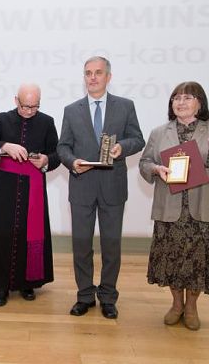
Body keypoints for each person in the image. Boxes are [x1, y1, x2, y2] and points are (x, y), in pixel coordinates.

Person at [139, 81, 209, 330]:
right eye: (176, 98)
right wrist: (156, 169)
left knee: (197, 260)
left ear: (199, 103)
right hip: (169, 205)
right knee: (171, 258)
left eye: (187, 98)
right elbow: (144, 163)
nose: (180, 102)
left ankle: (191, 307)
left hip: (201, 207)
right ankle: (176, 304)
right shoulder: (160, 132)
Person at [57, 56, 145, 319]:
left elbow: (138, 139)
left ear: (108, 76)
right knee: (81, 244)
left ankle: (108, 296)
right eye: (87, 73)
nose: (92, 77)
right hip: (82, 185)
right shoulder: (71, 110)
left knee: (111, 245)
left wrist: (122, 149)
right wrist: (73, 162)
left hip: (112, 186)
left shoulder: (125, 106)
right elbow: (63, 147)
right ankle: (84, 295)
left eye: (97, 73)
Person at [0, 84, 60, 307]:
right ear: (16, 101)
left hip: (34, 185)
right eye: (25, 106)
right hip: (6, 186)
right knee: (3, 231)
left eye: (35, 107)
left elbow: (57, 153)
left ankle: (28, 283)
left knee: (30, 232)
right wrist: (5, 146)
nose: (29, 111)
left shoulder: (47, 121)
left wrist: (46, 160)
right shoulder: (3, 119)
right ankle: (1, 286)